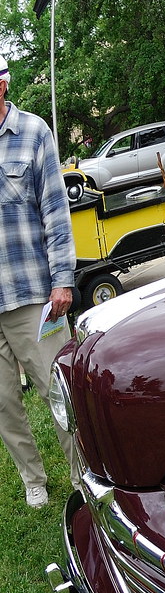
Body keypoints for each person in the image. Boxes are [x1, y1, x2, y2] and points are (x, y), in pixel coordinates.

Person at [0, 54, 78, 507]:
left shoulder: (34, 133)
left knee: (57, 391)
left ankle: (80, 471)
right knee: (4, 403)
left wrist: (62, 280)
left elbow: (56, 211)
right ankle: (33, 477)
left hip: (34, 294)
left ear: (3, 85)